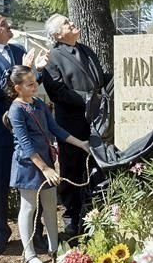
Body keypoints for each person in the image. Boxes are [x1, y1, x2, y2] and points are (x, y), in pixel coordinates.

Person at [0, 13, 48, 255]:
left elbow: (31, 84)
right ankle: (1, 234)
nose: (9, 26)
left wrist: (38, 70)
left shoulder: (17, 49)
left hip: (28, 128)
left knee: (33, 182)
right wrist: (25, 68)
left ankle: (36, 234)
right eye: (3, 24)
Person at [6, 65, 93, 263]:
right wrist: (45, 169)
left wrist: (80, 143)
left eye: (35, 82)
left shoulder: (38, 103)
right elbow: (25, 143)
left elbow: (55, 129)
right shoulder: (16, 109)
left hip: (45, 161)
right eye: (30, 84)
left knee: (50, 206)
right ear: (18, 88)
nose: (35, 86)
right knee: (28, 208)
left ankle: (56, 249)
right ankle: (29, 254)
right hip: (29, 165)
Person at [41, 14, 111, 237]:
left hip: (98, 120)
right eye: (66, 23)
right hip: (71, 122)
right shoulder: (52, 57)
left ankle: (95, 212)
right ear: (57, 34)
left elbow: (100, 80)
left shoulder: (87, 50)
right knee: (72, 168)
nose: (72, 23)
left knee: (98, 166)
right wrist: (90, 99)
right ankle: (72, 217)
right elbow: (58, 91)